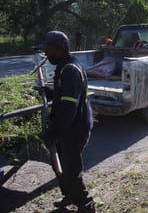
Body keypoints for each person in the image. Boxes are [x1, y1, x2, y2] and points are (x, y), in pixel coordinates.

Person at [35, 31, 95, 213]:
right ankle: (69, 195)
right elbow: (65, 96)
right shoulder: (64, 66)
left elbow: (68, 110)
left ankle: (86, 204)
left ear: (60, 49)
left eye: (49, 50)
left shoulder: (70, 71)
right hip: (67, 128)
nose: (46, 54)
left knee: (71, 170)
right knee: (59, 164)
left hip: (74, 129)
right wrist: (49, 91)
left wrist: (52, 133)